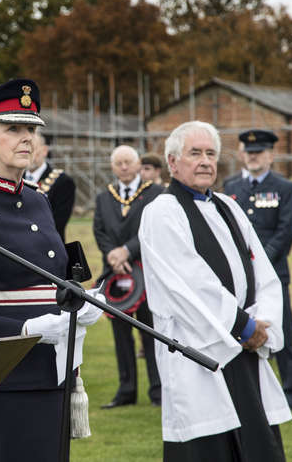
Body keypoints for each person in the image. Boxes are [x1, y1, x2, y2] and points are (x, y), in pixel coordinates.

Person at [0, 78, 101, 462]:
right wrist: (23, 331)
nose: (27, 137)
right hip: (7, 380)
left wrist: (80, 301)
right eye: (13, 128)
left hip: (55, 371)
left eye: (31, 129)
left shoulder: (37, 201)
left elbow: (50, 280)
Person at [140, 121, 291, 462]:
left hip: (247, 347)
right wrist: (243, 326)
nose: (205, 161)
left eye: (211, 153)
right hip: (199, 350)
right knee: (208, 446)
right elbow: (188, 284)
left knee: (257, 445)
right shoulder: (162, 212)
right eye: (195, 153)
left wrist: (263, 322)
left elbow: (262, 270)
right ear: (172, 161)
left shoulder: (229, 207)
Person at [224, 129, 292, 410]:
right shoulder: (231, 186)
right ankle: (252, 391)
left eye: (259, 153)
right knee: (245, 332)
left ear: (271, 155)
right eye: (249, 153)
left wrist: (259, 263)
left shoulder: (284, 187)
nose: (253, 158)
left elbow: (285, 231)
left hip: (272, 274)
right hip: (241, 279)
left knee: (283, 333)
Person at [93, 145, 162, 408]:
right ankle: (126, 390)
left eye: (128, 162)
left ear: (137, 165)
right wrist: (112, 254)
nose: (123, 167)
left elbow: (151, 229)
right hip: (114, 275)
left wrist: (126, 251)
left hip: (146, 274)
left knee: (150, 333)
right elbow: (99, 231)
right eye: (118, 163)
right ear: (113, 167)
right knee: (121, 335)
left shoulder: (155, 193)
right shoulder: (104, 198)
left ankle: (158, 390)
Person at [24, 132, 76, 241]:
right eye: (25, 147)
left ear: (44, 151)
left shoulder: (63, 182)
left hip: (48, 246)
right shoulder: (16, 179)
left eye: (33, 148)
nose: (28, 152)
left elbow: (57, 224)